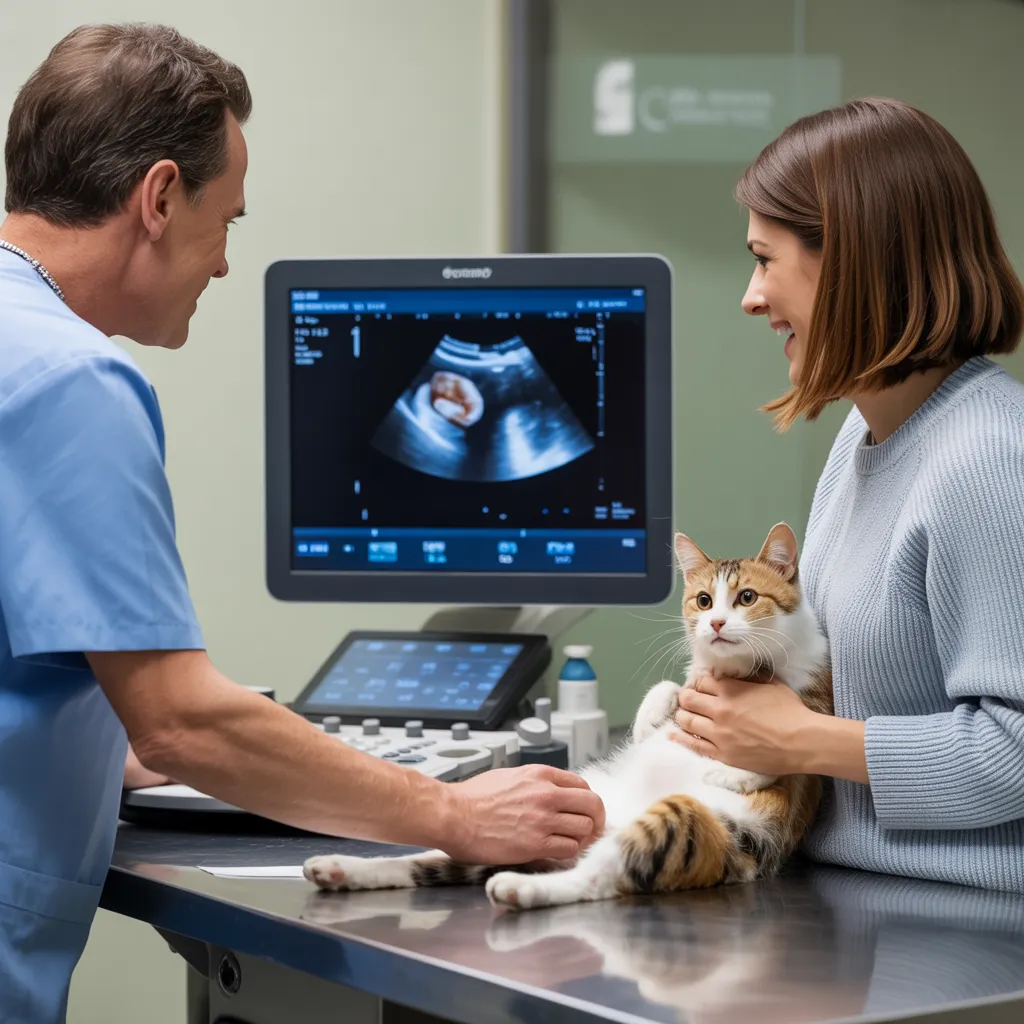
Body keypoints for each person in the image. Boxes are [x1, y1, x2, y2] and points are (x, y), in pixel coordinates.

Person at [0, 24, 604, 1022]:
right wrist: (454, 810)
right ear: (157, 197)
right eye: (226, 219)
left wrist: (113, 735)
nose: (226, 263)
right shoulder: (73, 380)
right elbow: (180, 716)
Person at [673, 96, 1024, 894]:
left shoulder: (991, 460)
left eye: (766, 260)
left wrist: (804, 742)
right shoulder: (865, 439)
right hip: (852, 895)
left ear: (852, 260)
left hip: (971, 924)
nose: (751, 297)